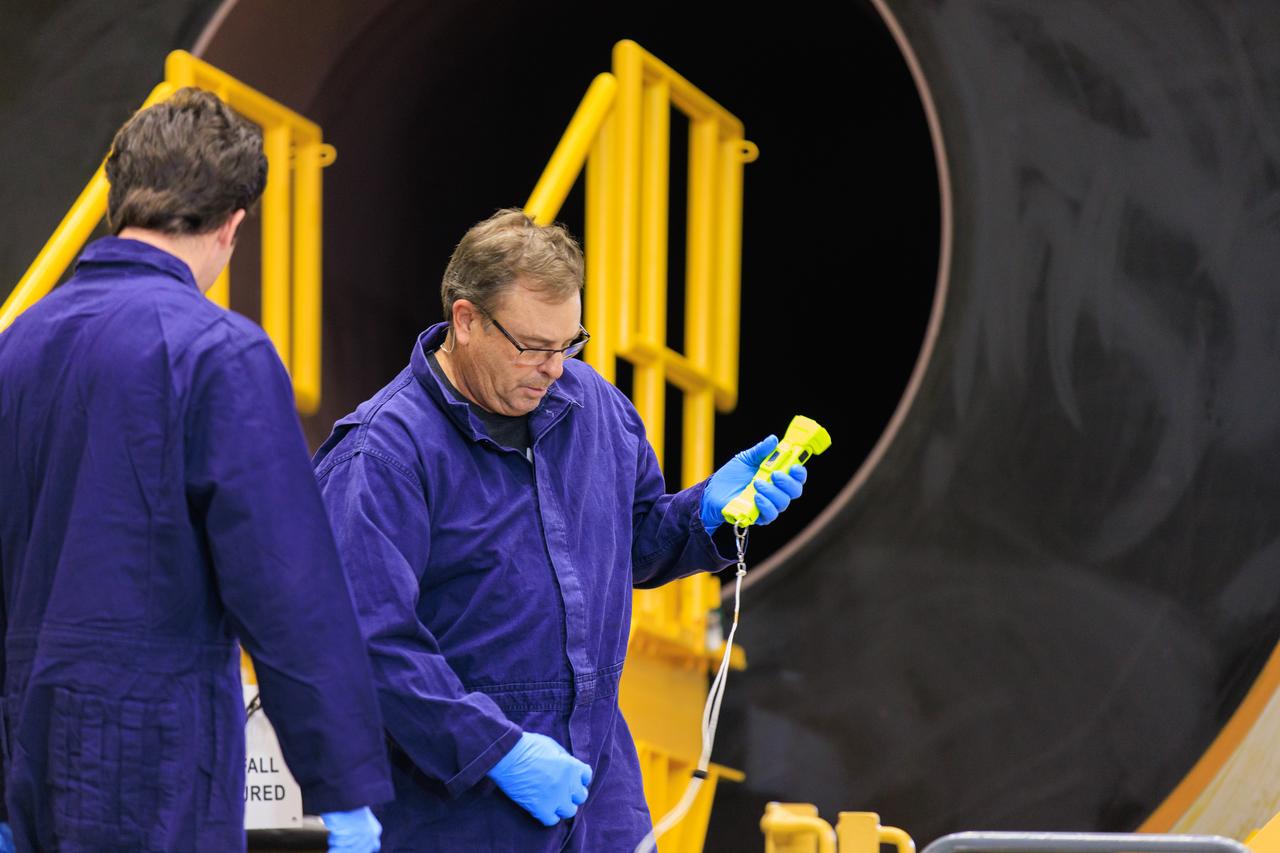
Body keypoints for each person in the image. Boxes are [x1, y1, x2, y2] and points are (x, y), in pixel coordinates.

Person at [314, 208, 807, 851]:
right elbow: (368, 644)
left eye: (569, 343)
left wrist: (703, 515)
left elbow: (630, 545)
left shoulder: (594, 407)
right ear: (466, 321)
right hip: (456, 809)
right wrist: (499, 751)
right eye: (533, 348)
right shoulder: (382, 456)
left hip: (597, 800)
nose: (553, 367)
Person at [0, 88, 391, 852]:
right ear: (233, 224)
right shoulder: (220, 354)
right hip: (154, 766)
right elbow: (288, 591)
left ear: (119, 202)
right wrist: (343, 784)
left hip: (25, 752)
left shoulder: (17, 348)